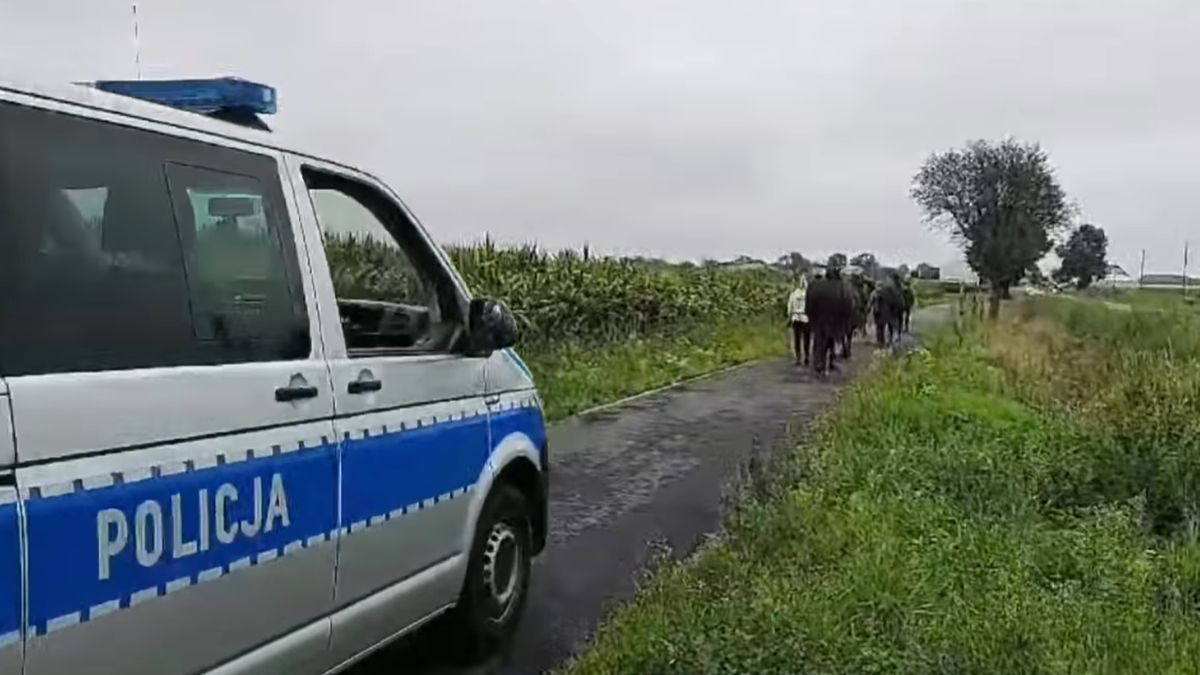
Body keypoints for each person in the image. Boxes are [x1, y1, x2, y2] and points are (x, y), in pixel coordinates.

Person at [786, 272, 811, 366]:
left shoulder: (793, 294)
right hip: (806, 317)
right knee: (806, 338)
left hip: (796, 317)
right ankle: (807, 355)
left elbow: (790, 307)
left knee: (797, 339)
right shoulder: (808, 294)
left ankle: (798, 357)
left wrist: (789, 317)